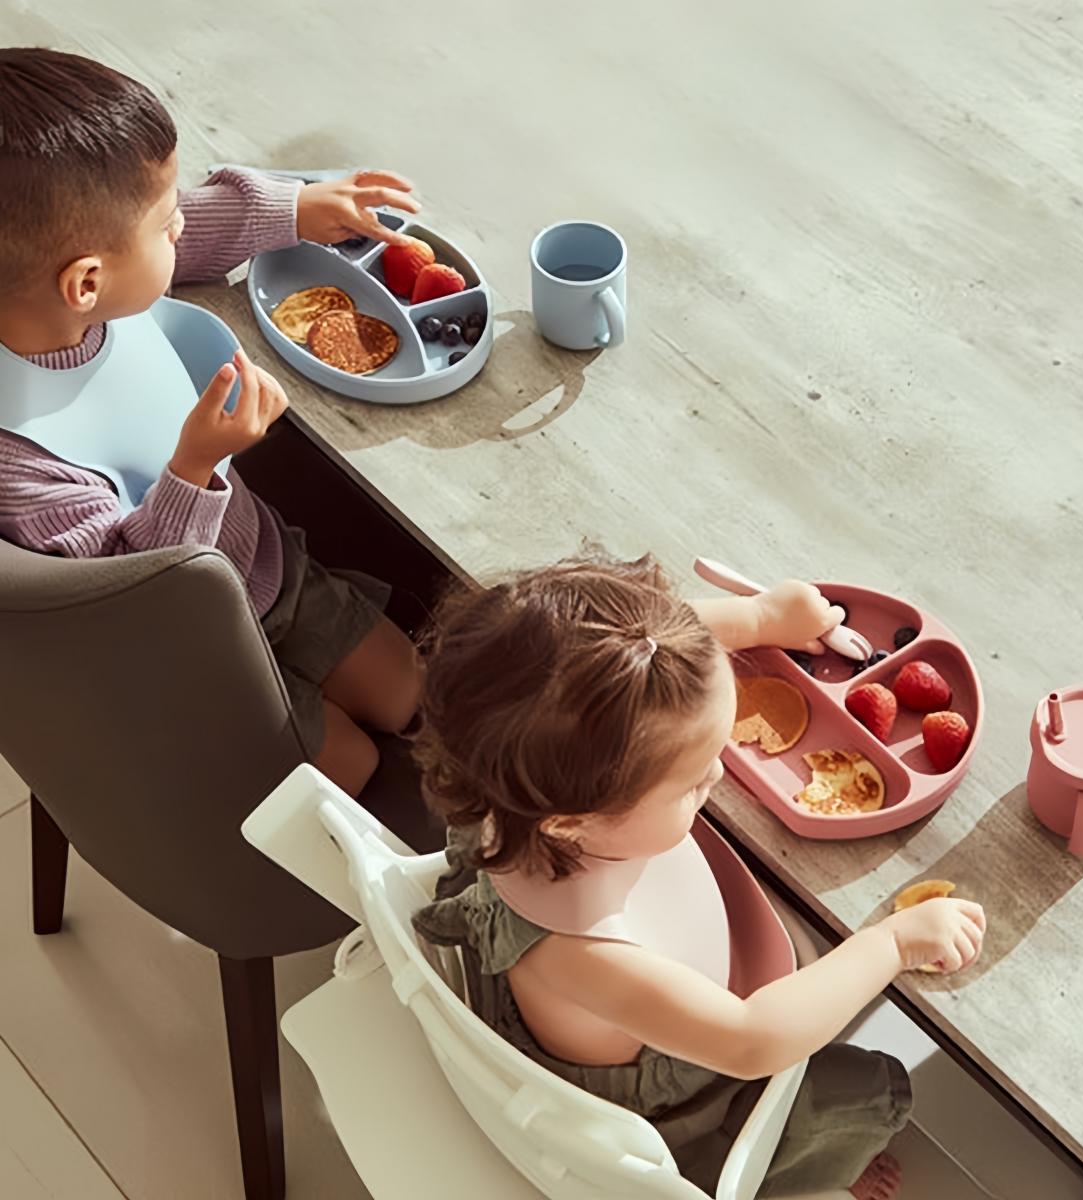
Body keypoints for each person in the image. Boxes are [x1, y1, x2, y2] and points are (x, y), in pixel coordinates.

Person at [411, 553, 987, 1199]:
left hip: (664, 973)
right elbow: (752, 1043)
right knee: (846, 1088)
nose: (717, 776)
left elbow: (643, 653)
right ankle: (800, 1180)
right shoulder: (578, 955)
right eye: (692, 781)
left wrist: (760, 617)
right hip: (673, 1097)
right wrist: (894, 943)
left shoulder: (522, 759)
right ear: (574, 821)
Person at [0, 47, 423, 795]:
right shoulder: (19, 458)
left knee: (407, 692)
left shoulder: (47, 284)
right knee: (351, 766)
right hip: (189, 652)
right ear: (86, 282)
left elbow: (172, 238)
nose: (181, 227)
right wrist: (195, 469)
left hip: (263, 563)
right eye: (167, 223)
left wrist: (295, 210)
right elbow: (136, 594)